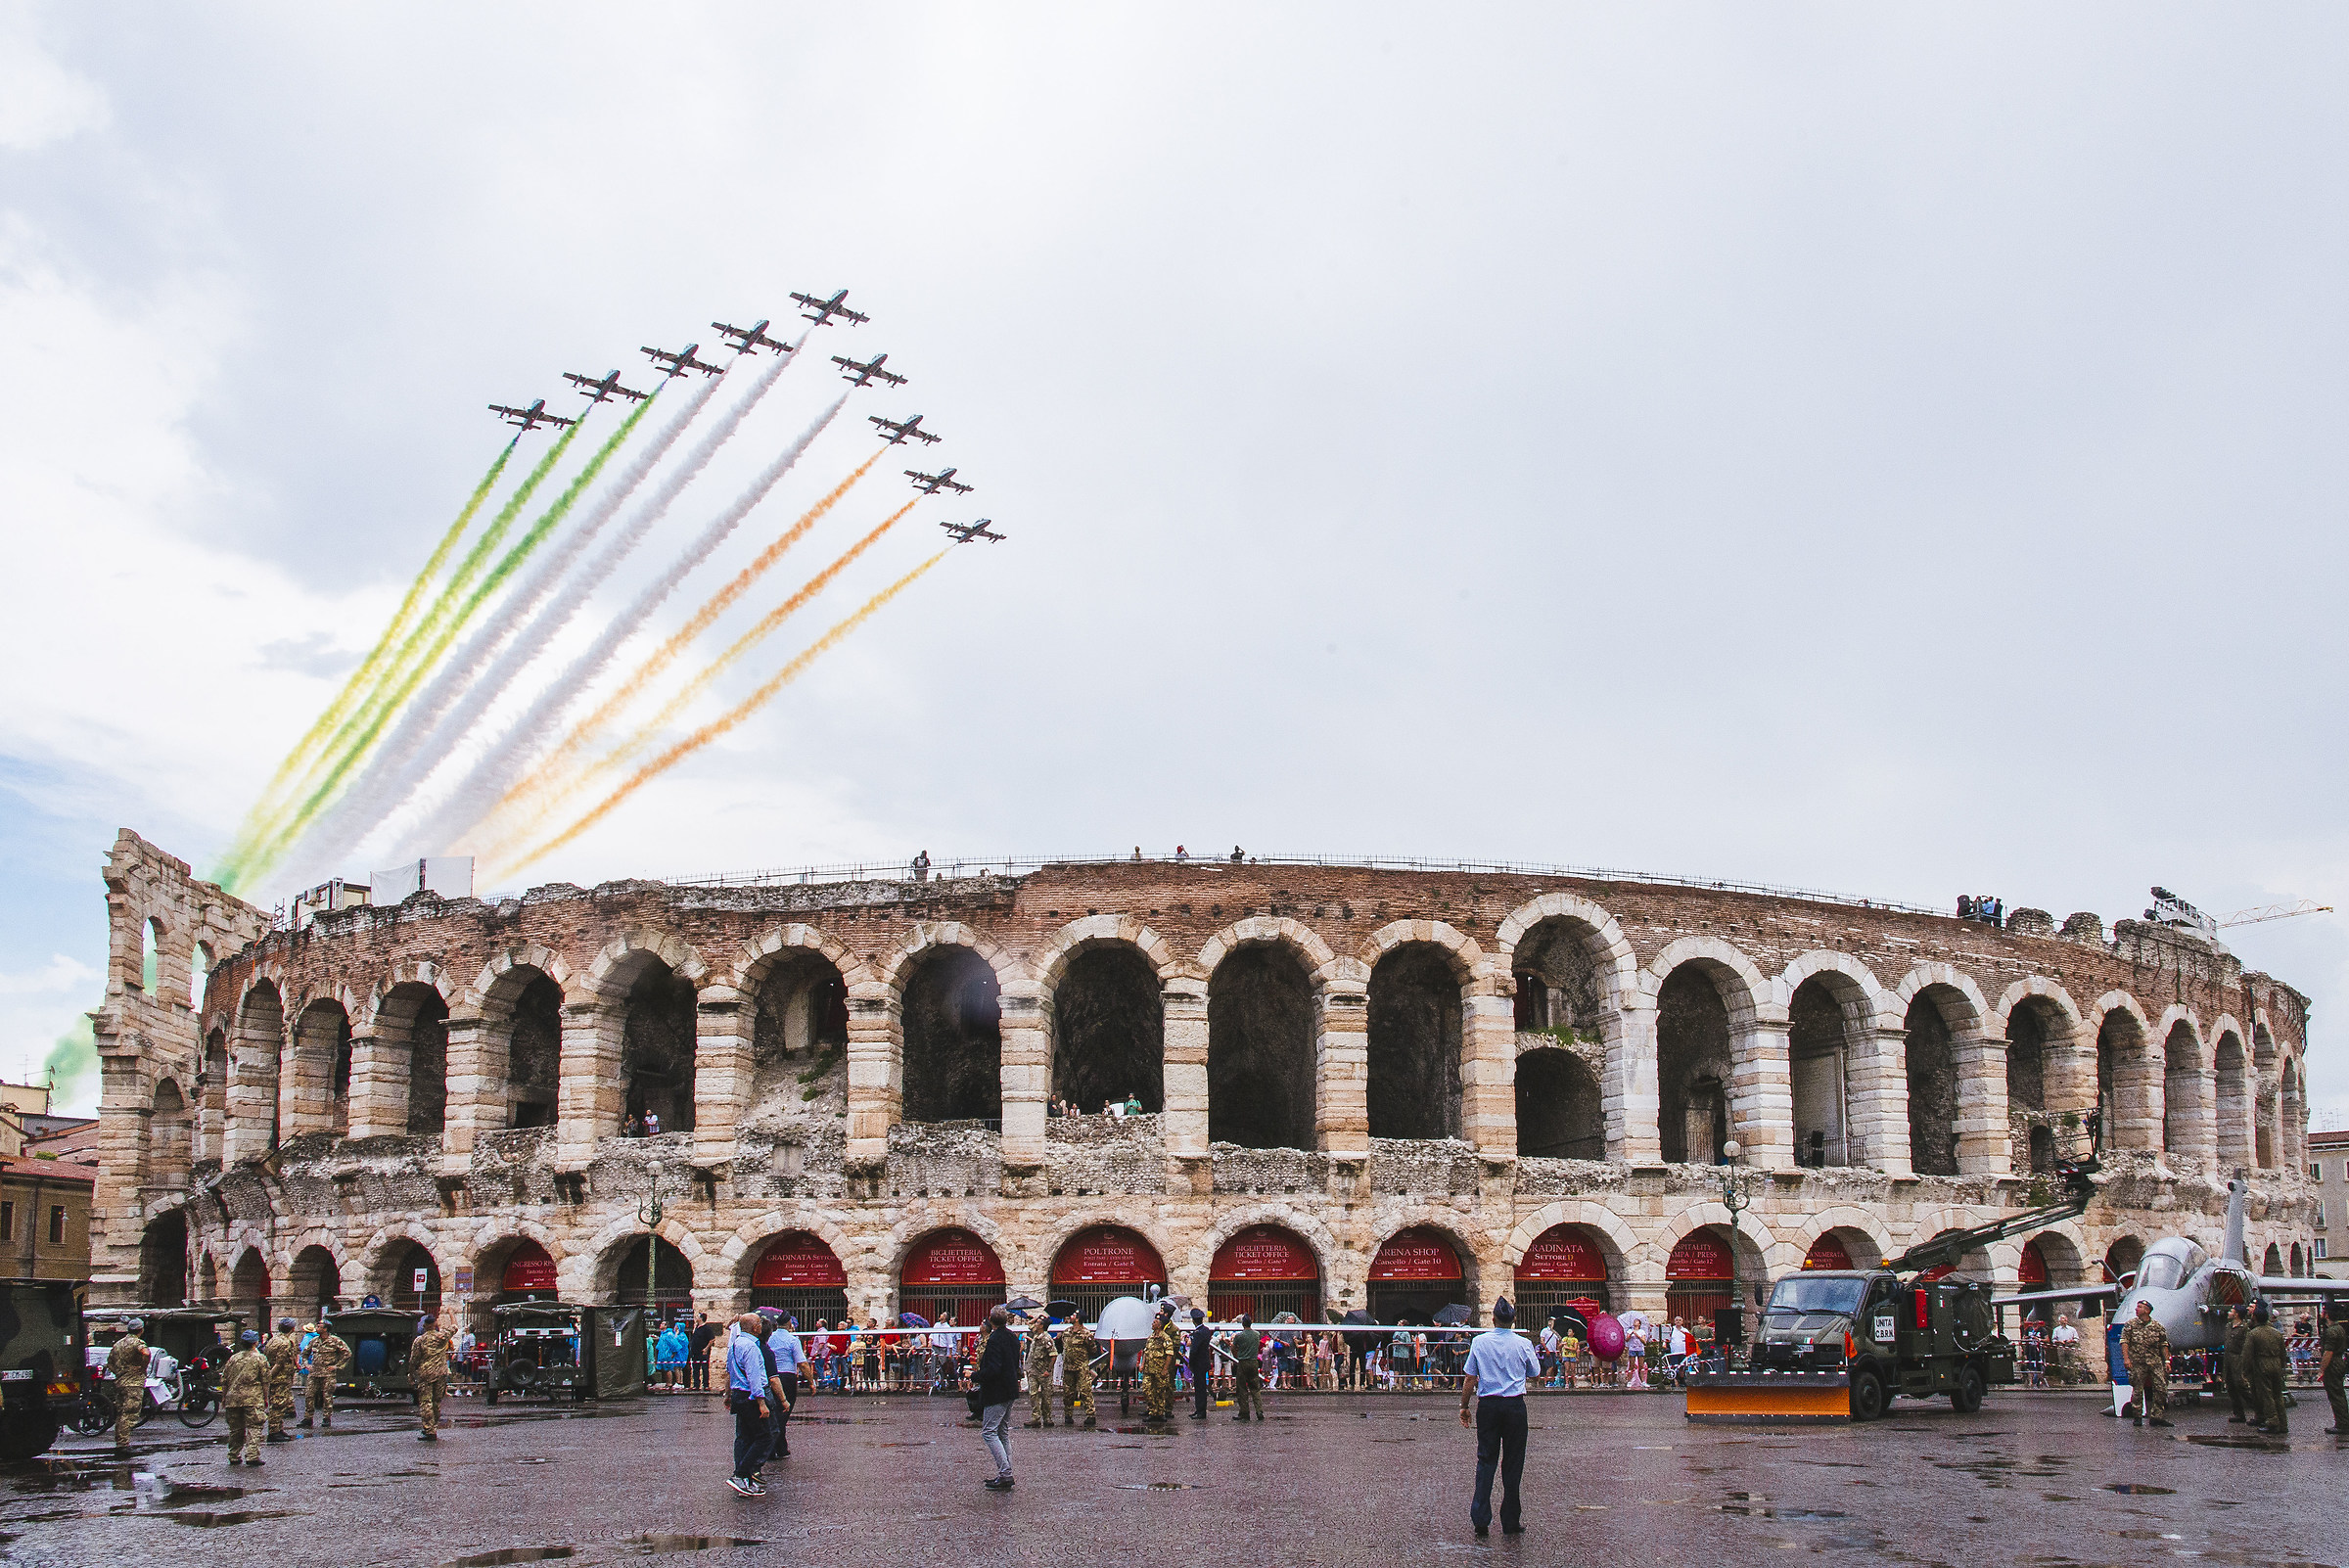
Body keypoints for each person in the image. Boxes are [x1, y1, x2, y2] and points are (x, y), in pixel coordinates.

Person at [1459, 1297, 1542, 1539]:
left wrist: (1464, 1406)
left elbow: (1470, 1378)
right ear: (1513, 1320)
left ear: (1493, 1319)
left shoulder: (1480, 1342)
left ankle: (1481, 1519)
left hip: (1488, 1406)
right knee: (1513, 1463)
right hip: (1515, 1406)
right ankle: (1510, 1520)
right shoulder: (1523, 1343)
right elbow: (1535, 1372)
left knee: (1486, 1461)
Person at [972, 1304, 1021, 1491]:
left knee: (989, 1432)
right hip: (1009, 1389)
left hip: (997, 1391)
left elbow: (993, 1369)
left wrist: (975, 1376)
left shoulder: (994, 1340)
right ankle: (1005, 1472)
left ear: (990, 1320)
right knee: (1002, 1432)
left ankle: (1006, 1473)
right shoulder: (1012, 1337)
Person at [726, 1314, 772, 1498]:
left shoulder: (736, 1344)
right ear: (754, 1327)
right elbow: (754, 1377)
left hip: (739, 1394)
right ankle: (741, 1474)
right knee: (764, 1437)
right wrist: (762, 1402)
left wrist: (728, 1394)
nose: (761, 1325)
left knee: (744, 1437)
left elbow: (730, 1370)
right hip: (750, 1396)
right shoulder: (751, 1347)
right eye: (759, 1323)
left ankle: (745, 1480)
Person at [220, 1329, 268, 1466]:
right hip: (253, 1398)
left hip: (233, 1398)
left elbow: (225, 1380)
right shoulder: (260, 1358)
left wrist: (224, 1397)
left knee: (235, 1429)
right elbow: (265, 1380)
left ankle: (233, 1454)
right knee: (254, 1426)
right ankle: (252, 1455)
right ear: (255, 1343)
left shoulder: (233, 1358)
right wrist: (265, 1397)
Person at [2120, 1300, 2172, 1427]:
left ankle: (2157, 1416)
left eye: (2140, 1307)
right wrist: (2126, 1359)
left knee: (2161, 1388)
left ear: (2147, 1310)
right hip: (2138, 1362)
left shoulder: (2157, 1326)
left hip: (2155, 1362)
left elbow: (2163, 1345)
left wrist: (2166, 1361)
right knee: (2137, 1390)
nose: (2136, 1309)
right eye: (2137, 1306)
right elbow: (2124, 1341)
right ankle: (2137, 1416)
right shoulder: (2130, 1325)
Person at [104, 1317, 151, 1454]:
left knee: (121, 1413)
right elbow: (146, 1353)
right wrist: (142, 1367)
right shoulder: (137, 1342)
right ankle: (123, 1445)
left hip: (120, 1382)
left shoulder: (118, 1344)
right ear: (140, 1330)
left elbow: (110, 1363)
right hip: (133, 1384)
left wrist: (119, 1372)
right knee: (129, 1414)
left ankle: (121, 1442)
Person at [408, 1313, 457, 1441]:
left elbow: (414, 1360)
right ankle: (433, 1426)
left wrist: (411, 1374)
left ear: (425, 1326)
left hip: (426, 1374)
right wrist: (451, 1313)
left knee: (426, 1402)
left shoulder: (420, 1340)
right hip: (441, 1373)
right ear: (435, 1325)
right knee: (436, 1402)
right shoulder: (442, 1337)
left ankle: (429, 1430)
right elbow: (455, 1326)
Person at [2245, 1303, 2289, 1435]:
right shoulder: (2276, 1333)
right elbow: (2283, 1353)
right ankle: (2283, 1423)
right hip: (2276, 1363)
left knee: (2266, 1395)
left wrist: (2246, 1371)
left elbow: (2247, 1355)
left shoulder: (2253, 1333)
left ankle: (2272, 1422)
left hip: (2262, 1364)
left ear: (2255, 1318)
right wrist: (2282, 1367)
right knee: (2278, 1395)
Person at [764, 1314, 804, 1455]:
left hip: (772, 1374)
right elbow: (802, 1362)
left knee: (776, 1409)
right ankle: (772, 1447)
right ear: (788, 1323)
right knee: (784, 1412)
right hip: (787, 1376)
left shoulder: (770, 1337)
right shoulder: (793, 1340)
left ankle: (781, 1447)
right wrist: (811, 1382)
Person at [300, 1319, 349, 1429]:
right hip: (314, 1373)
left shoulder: (335, 1341)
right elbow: (304, 1354)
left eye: (319, 1326)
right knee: (309, 1395)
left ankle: (326, 1418)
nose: (317, 1328)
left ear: (325, 1329)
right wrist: (306, 1365)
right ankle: (308, 1418)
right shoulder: (314, 1341)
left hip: (328, 1374)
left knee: (327, 1396)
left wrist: (337, 1366)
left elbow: (347, 1353)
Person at [261, 1316, 302, 1443]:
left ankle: (279, 1429)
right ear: (292, 1328)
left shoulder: (273, 1340)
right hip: (281, 1378)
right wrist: (269, 1376)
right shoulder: (285, 1343)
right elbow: (279, 1363)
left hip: (279, 1377)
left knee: (279, 1403)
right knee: (278, 1404)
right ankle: (274, 1431)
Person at [1142, 1303, 1179, 1425]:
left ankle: (1163, 1411)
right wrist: (1143, 1364)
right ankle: (1153, 1410)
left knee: (1164, 1389)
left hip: (1163, 1366)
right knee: (1148, 1389)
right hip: (1150, 1368)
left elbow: (1172, 1350)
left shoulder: (1171, 1332)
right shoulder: (1151, 1337)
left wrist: (1165, 1367)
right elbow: (1146, 1351)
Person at [1060, 1314, 1097, 1428]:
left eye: (1073, 1315)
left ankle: (1090, 1415)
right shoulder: (1066, 1332)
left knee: (1085, 1391)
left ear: (1078, 1319)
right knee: (1068, 1392)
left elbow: (1093, 1350)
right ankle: (1068, 1415)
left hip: (1081, 1367)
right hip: (1068, 1367)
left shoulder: (1087, 1334)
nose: (1070, 1317)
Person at [1024, 1314, 1058, 1428]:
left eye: (1038, 1323)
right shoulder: (1036, 1335)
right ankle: (1035, 1418)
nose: (1036, 1324)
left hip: (1043, 1371)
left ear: (1042, 1326)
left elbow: (1053, 1355)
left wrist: (1048, 1370)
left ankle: (1047, 1417)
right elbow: (1029, 1324)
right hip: (1033, 1370)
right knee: (1033, 1394)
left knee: (1046, 1395)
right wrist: (1038, 1316)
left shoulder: (1046, 1338)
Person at [1229, 1313, 1265, 1421]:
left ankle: (1244, 1412)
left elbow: (1234, 1348)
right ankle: (1259, 1411)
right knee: (1255, 1388)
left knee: (1242, 1388)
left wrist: (1237, 1355)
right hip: (1254, 1362)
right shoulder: (1257, 1335)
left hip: (1243, 1362)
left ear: (1242, 1324)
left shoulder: (1239, 1336)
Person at [2320, 1301, 2348, 1435]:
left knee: (2335, 1395)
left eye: (2323, 1311)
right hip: (2338, 1361)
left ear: (2327, 1315)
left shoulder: (2331, 1331)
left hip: (2333, 1363)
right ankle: (2343, 1422)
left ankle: (2342, 1424)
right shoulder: (2339, 1328)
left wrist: (2322, 1370)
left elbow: (2328, 1353)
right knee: (2339, 1393)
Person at [2221, 1305, 2252, 1421]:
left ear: (2237, 1314)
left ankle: (2259, 1411)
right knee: (2231, 1387)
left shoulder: (2245, 1328)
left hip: (2238, 1359)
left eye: (2231, 1311)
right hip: (2228, 1359)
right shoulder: (2228, 1326)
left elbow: (2246, 1346)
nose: (2229, 1313)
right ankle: (2239, 1414)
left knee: (2241, 1386)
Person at [1187, 1309, 1215, 1419]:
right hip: (1204, 1362)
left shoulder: (1197, 1333)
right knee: (1201, 1387)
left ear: (1194, 1321)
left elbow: (1194, 1350)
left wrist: (1190, 1362)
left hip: (1198, 1364)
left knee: (1199, 1389)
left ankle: (1200, 1411)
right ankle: (1200, 1410)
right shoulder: (1206, 1330)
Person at [687, 1313, 718, 1393]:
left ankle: (706, 1385)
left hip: (703, 1352)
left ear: (701, 1318)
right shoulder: (697, 1327)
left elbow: (712, 1339)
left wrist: (706, 1349)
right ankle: (696, 1384)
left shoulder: (706, 1328)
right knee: (695, 1369)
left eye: (697, 1316)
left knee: (704, 1368)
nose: (696, 1318)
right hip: (695, 1351)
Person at [2050, 1314, 2082, 1386]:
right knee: (2062, 1364)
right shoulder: (2057, 1330)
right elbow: (2053, 1339)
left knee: (2071, 1363)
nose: (2065, 1320)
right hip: (2061, 1347)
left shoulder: (2072, 1329)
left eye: (2065, 1318)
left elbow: (2076, 1338)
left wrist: (2070, 1341)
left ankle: (2071, 1379)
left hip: (2070, 1347)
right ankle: (2064, 1379)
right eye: (2063, 1318)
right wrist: (2059, 1342)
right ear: (2060, 1320)